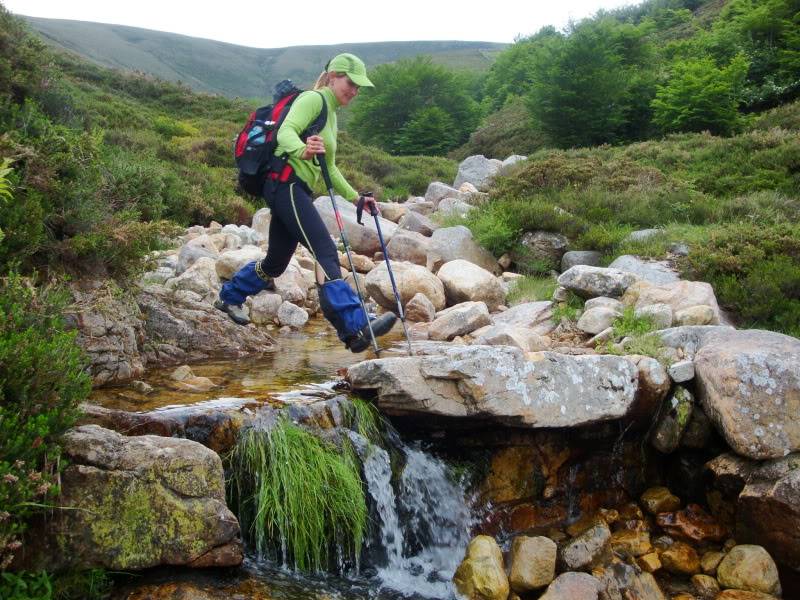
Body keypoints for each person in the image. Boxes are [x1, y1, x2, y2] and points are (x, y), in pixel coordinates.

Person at [215, 53, 396, 353]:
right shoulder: (314, 100)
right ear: (333, 76)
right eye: (350, 83)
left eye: (359, 87)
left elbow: (331, 168)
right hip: (286, 185)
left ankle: (229, 297)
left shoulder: (332, 114)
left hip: (292, 188)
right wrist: (302, 149)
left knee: (275, 261)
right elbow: (286, 133)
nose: (354, 91)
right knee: (324, 250)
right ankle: (354, 328)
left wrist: (356, 199)